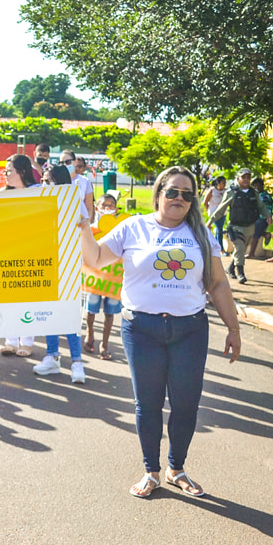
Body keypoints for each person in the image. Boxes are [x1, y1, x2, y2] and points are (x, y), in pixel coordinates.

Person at [80, 165, 241, 498]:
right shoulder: (133, 227)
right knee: (148, 404)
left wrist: (233, 328)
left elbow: (218, 284)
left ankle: (176, 468)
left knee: (186, 405)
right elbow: (94, 259)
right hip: (142, 330)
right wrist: (83, 226)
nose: (179, 199)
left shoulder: (201, 233)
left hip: (190, 330)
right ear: (158, 193)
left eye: (187, 194)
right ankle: (150, 471)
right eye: (172, 192)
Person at [33, 165, 87, 383]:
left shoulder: (74, 201)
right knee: (50, 312)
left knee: (69, 314)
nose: (44, 184)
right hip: (47, 262)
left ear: (60, 181)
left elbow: (84, 228)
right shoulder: (40, 202)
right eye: (43, 181)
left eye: (48, 181)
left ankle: (77, 362)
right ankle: (52, 356)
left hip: (68, 264)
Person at [0, 154, 39, 357]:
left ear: (22, 172)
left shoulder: (39, 192)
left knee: (28, 301)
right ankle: (10, 341)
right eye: (5, 171)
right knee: (9, 300)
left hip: (32, 252)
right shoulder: (2, 195)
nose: (6, 175)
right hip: (8, 253)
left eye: (9, 171)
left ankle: (27, 342)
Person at [207, 168, 270, 284]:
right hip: (235, 227)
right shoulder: (231, 192)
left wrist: (268, 216)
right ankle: (241, 273)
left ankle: (230, 267)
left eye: (248, 177)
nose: (246, 180)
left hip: (250, 227)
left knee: (240, 250)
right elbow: (221, 209)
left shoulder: (254, 193)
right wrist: (210, 222)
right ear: (238, 179)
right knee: (240, 248)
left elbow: (261, 206)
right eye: (243, 177)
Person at [83, 194, 122, 360]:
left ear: (116, 209)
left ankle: (105, 344)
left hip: (114, 278)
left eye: (111, 205)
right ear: (96, 208)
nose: (107, 208)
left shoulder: (121, 230)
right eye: (104, 205)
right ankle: (90, 333)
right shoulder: (91, 229)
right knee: (91, 308)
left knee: (110, 312)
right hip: (95, 276)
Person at [248, 177, 273, 260]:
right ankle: (266, 234)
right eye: (255, 186)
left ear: (262, 186)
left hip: (263, 218)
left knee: (255, 235)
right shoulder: (257, 195)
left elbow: (261, 207)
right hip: (257, 217)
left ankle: (251, 253)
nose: (256, 187)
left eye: (258, 186)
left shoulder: (264, 196)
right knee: (253, 232)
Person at [202, 177, 228, 253]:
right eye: (223, 183)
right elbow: (205, 202)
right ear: (218, 183)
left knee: (219, 229)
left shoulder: (226, 191)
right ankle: (221, 248)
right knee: (219, 229)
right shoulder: (212, 190)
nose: (224, 184)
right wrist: (209, 211)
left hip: (223, 213)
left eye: (225, 183)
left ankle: (215, 246)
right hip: (214, 213)